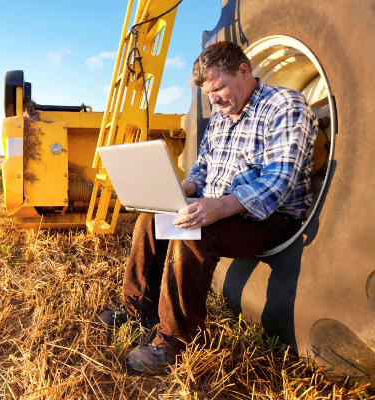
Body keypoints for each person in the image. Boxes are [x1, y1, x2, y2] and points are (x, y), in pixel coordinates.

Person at [98, 40, 318, 374]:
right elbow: (201, 170)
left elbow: (279, 182)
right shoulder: (221, 115)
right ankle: (135, 308)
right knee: (150, 217)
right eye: (208, 93)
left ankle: (175, 342)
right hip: (219, 207)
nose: (213, 99)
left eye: (218, 88)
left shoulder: (285, 106)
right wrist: (177, 190)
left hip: (272, 219)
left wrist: (218, 208)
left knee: (193, 233)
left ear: (244, 71)